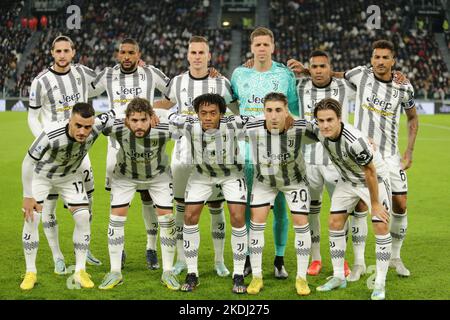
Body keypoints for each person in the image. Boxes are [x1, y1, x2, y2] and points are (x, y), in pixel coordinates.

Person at [155, 36, 234, 277]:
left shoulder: (221, 83)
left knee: (216, 206)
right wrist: (151, 111)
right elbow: (166, 104)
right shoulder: (177, 81)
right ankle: (181, 258)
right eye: (194, 52)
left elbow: (236, 110)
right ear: (188, 56)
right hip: (183, 154)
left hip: (214, 155)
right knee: (181, 208)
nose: (198, 56)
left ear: (209, 56)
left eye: (202, 52)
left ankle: (219, 261)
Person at [90, 38, 170, 270]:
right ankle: (120, 249)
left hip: (147, 144)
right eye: (122, 52)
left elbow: (176, 91)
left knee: (148, 197)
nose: (126, 56)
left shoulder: (151, 72)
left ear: (138, 54)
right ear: (117, 54)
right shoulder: (107, 75)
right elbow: (82, 88)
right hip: (116, 146)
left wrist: (156, 109)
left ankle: (151, 248)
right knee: (118, 199)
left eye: (130, 52)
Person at [343, 40, 418, 279]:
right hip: (363, 155)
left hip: (392, 157)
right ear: (371, 58)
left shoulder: (404, 87)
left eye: (386, 57)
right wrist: (307, 71)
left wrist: (409, 151)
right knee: (361, 206)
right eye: (377, 57)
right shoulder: (359, 75)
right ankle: (358, 263)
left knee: (401, 205)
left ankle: (395, 257)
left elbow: (413, 118)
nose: (380, 62)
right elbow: (335, 75)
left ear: (393, 60)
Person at [20, 103, 115, 290]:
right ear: (70, 121)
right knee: (32, 218)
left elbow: (116, 114)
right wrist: (27, 195)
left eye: (87, 127)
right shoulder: (50, 134)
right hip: (42, 177)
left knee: (83, 216)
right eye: (78, 125)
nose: (82, 131)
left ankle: (80, 271)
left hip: (70, 176)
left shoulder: (96, 127)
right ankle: (30, 271)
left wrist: (152, 114)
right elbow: (28, 161)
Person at [28, 35, 101, 274]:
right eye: (57, 51)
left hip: (79, 150)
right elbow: (33, 115)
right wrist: (43, 140)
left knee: (88, 200)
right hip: (53, 152)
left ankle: (84, 246)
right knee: (47, 207)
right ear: (52, 52)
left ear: (73, 51)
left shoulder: (82, 73)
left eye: (66, 50)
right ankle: (57, 254)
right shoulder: (40, 81)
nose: (62, 55)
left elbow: (108, 80)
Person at [230, 27, 299, 279]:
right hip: (246, 151)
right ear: (251, 47)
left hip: (278, 151)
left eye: (265, 45)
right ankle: (248, 257)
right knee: (248, 206)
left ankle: (279, 259)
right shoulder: (239, 74)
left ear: (272, 46)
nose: (261, 49)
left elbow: (293, 110)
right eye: (257, 45)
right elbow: (230, 101)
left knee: (280, 206)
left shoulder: (284, 75)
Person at [310, 98, 392, 301]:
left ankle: (380, 283)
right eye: (321, 120)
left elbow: (370, 172)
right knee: (335, 223)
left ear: (339, 119)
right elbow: (296, 123)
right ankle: (339, 276)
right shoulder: (320, 132)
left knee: (380, 225)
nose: (325, 125)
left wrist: (374, 203)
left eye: (330, 120)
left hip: (374, 180)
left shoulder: (354, 141)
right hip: (347, 181)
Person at [168, 93, 250, 294]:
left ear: (222, 114)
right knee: (189, 216)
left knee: (238, 217)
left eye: (213, 113)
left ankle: (238, 274)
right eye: (203, 113)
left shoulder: (234, 123)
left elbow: (261, 123)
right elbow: (168, 118)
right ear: (196, 114)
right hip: (201, 175)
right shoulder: (189, 124)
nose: (207, 117)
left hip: (232, 174)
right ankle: (192, 273)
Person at [98, 98, 179, 291]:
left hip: (158, 176)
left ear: (151, 118)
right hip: (125, 176)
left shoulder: (165, 128)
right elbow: (95, 124)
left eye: (143, 120)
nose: (139, 125)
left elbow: (188, 127)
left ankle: (168, 271)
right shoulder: (116, 127)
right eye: (134, 120)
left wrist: (165, 114)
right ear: (126, 120)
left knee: (167, 219)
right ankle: (115, 271)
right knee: (116, 218)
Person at [288, 50, 354, 277]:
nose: (317, 71)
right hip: (308, 161)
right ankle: (316, 259)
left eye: (322, 66)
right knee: (311, 212)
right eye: (313, 67)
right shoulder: (300, 88)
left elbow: (369, 78)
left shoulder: (344, 87)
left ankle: (342, 259)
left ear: (330, 67)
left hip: (338, 162)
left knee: (340, 212)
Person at [246, 92, 316, 296]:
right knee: (257, 225)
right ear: (263, 112)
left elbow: (328, 131)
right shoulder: (252, 128)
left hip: (294, 182)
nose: (274, 115)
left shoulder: (300, 127)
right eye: (269, 110)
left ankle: (301, 278)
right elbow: (222, 125)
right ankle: (257, 277)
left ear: (287, 111)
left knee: (301, 223)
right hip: (264, 182)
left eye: (278, 110)